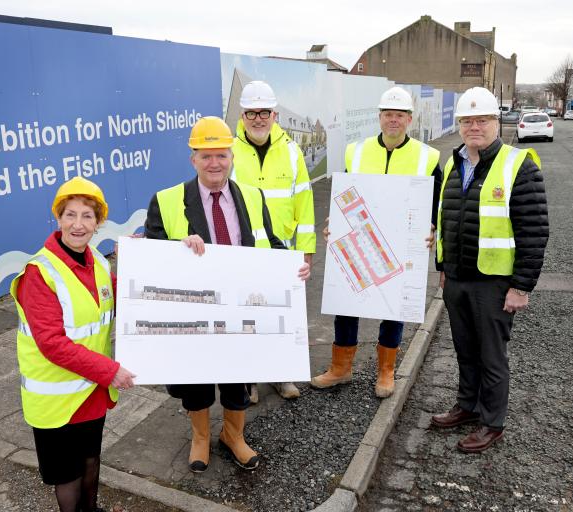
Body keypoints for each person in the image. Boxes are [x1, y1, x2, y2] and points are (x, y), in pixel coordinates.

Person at [144, 116, 310, 472]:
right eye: (206, 156)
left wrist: (292, 267)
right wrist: (179, 248)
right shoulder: (166, 200)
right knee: (197, 379)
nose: (215, 163)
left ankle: (233, 436)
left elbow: (272, 242)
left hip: (240, 310)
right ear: (193, 160)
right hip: (195, 313)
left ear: (231, 156)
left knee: (239, 376)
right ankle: (200, 438)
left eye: (221, 155)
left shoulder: (252, 196)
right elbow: (152, 261)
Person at [430, 87, 548, 453]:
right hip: (458, 277)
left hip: (495, 283)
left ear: (497, 122)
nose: (474, 127)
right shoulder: (453, 163)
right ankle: (467, 405)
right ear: (460, 125)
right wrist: (443, 266)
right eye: (467, 120)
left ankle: (492, 422)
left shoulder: (518, 164)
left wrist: (522, 287)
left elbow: (534, 229)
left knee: (492, 356)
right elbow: (445, 218)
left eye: (482, 120)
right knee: (465, 350)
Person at [12, 177, 136, 512]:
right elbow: (52, 343)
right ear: (58, 218)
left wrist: (141, 260)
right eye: (70, 215)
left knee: (91, 461)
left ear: (98, 223)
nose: (78, 224)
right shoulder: (41, 272)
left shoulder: (96, 259)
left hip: (90, 391)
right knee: (67, 477)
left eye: (87, 216)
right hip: (57, 399)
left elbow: (117, 296)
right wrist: (110, 371)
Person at [311, 86, 442, 398]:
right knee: (346, 302)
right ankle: (341, 367)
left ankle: (386, 370)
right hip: (359, 237)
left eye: (399, 115)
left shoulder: (428, 156)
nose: (393, 120)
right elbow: (344, 194)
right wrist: (335, 223)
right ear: (379, 117)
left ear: (410, 119)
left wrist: (434, 226)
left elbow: (438, 200)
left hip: (402, 241)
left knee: (394, 305)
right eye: (387, 114)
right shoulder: (357, 151)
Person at [231, 80, 316, 401]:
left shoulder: (292, 151)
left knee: (281, 318)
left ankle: (281, 376)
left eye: (264, 112)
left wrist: (306, 251)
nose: (258, 119)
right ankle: (250, 380)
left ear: (274, 114)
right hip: (243, 253)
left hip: (284, 253)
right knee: (248, 319)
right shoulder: (230, 152)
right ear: (242, 115)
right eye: (251, 113)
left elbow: (304, 204)